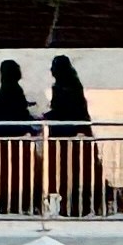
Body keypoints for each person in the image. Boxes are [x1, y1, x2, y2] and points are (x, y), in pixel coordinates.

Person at [0, 59, 36, 212]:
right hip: (12, 139)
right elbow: (20, 113)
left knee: (3, 173)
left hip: (3, 138)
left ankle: (4, 203)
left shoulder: (7, 89)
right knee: (13, 173)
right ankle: (14, 203)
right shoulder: (14, 90)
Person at [45, 56, 94, 216]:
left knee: (69, 172)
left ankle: (72, 206)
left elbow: (62, 111)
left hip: (69, 136)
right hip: (76, 134)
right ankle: (77, 206)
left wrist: (46, 117)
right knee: (78, 172)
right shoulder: (73, 85)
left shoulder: (63, 88)